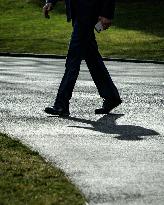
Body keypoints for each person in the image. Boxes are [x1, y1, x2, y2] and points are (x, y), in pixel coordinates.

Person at [43, 0, 122, 116]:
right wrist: (51, 1)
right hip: (78, 13)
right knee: (92, 57)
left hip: (88, 14)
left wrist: (107, 14)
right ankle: (111, 97)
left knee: (73, 59)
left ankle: (61, 104)